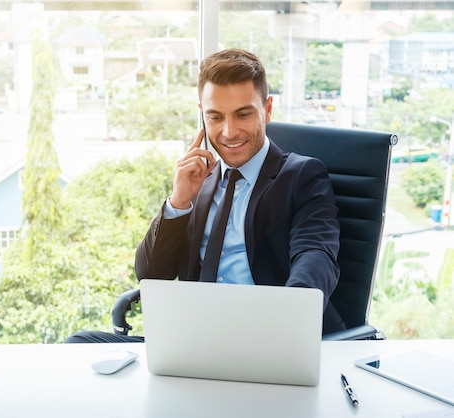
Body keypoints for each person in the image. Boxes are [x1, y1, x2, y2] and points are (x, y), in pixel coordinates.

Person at [65, 48, 344, 344]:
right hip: (196, 339)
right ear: (203, 113)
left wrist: (285, 320)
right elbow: (150, 274)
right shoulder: (201, 178)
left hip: (268, 338)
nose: (228, 132)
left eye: (243, 114)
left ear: (268, 109)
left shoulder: (300, 176)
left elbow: (315, 256)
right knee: (80, 344)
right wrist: (178, 203)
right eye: (215, 117)